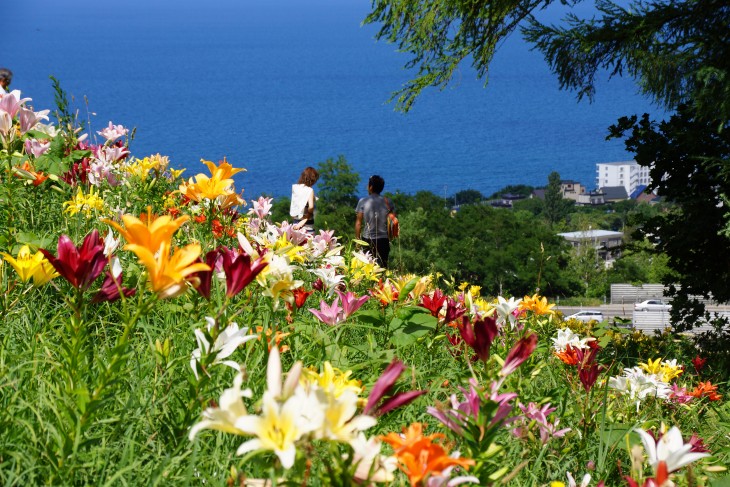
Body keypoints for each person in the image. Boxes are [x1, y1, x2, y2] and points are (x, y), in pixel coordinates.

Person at [355, 175, 396, 269]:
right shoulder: (388, 201)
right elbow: (392, 220)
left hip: (367, 239)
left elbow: (358, 223)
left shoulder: (363, 201)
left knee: (367, 267)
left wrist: (357, 240)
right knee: (383, 267)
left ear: (371, 187)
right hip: (383, 239)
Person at [290, 166, 319, 235]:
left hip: (295, 222)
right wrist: (307, 217)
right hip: (307, 225)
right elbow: (311, 206)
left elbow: (301, 199)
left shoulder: (295, 188)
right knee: (308, 244)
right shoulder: (310, 190)